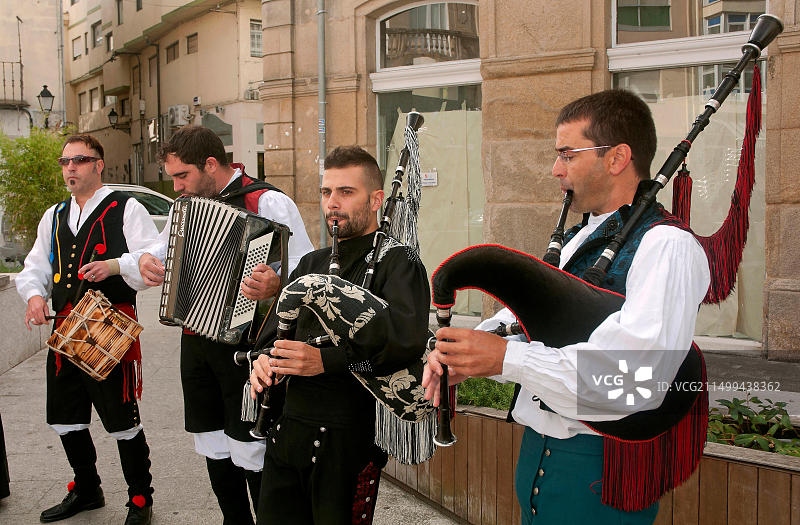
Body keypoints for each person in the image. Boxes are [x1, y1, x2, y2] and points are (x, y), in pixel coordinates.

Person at [422, 90, 711, 525]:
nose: (555, 169)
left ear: (617, 158)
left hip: (599, 465)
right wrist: (467, 352)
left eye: (567, 154)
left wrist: (505, 358)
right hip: (539, 447)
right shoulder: (580, 239)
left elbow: (633, 381)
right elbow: (533, 315)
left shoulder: (666, 246)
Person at [137, 125, 313, 525]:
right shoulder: (186, 207)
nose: (178, 186)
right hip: (196, 340)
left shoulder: (266, 200)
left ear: (211, 164)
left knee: (251, 444)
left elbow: (306, 269)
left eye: (183, 176)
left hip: (249, 346)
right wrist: (146, 262)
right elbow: (157, 251)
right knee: (211, 440)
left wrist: (277, 281)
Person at [248, 145, 431, 524]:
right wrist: (263, 361)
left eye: (346, 192)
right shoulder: (310, 263)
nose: (333, 202)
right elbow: (271, 336)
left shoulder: (400, 262)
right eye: (327, 192)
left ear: (376, 199)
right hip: (285, 435)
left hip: (347, 442)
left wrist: (325, 362)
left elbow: (404, 344)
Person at [16, 134, 158, 524]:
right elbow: (34, 267)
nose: (70, 168)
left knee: (121, 420)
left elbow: (151, 258)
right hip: (65, 332)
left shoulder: (125, 208)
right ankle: (87, 488)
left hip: (109, 330)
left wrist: (115, 265)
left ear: (99, 165)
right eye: (65, 162)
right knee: (65, 416)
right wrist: (33, 296)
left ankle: (140, 499)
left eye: (79, 160)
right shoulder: (54, 215)